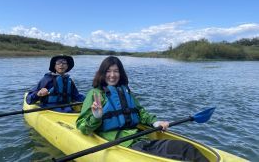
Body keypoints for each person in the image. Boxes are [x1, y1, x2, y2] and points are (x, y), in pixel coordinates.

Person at [76, 56, 208, 161]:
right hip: (120, 144)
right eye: (108, 71)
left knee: (186, 148)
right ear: (102, 73)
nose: (112, 75)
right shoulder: (95, 94)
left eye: (116, 71)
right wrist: (96, 116)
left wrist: (156, 122)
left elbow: (140, 112)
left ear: (120, 73)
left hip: (139, 139)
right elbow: (82, 127)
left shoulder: (125, 91)